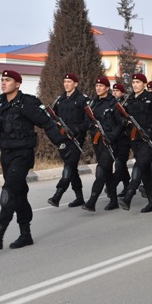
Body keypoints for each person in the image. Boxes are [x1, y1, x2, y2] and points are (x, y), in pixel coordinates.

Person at [0, 69, 73, 250]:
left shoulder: (27, 103)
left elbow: (47, 123)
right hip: (5, 154)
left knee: (9, 192)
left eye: (8, 80)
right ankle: (25, 235)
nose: (3, 82)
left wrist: (63, 145)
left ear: (18, 84)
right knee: (18, 194)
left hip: (23, 154)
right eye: (2, 80)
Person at [117, 73, 152, 213]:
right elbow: (118, 113)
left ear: (144, 84)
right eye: (133, 82)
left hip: (149, 139)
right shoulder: (129, 99)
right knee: (144, 171)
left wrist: (151, 129)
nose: (135, 85)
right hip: (135, 139)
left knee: (139, 165)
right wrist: (124, 122)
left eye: (138, 82)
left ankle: (129, 195)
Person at [82, 77, 124, 212]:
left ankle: (92, 201)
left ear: (107, 88)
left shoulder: (114, 103)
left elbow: (121, 123)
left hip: (111, 142)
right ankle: (114, 200)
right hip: (97, 141)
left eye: (101, 86)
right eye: (97, 85)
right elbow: (87, 120)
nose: (98, 88)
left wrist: (111, 136)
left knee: (101, 169)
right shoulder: (93, 102)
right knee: (107, 171)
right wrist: (91, 125)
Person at [47, 73, 88, 208]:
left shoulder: (82, 100)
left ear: (75, 84)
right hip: (63, 139)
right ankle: (80, 198)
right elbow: (52, 116)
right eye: (65, 81)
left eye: (69, 82)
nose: (66, 84)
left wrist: (76, 130)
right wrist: (56, 124)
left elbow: (88, 121)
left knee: (69, 165)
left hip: (76, 139)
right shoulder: (60, 100)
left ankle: (58, 194)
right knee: (73, 169)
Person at [112, 82, 131, 197]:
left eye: (117, 91)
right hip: (114, 138)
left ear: (122, 93)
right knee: (121, 164)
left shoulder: (127, 104)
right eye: (113, 91)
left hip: (124, 137)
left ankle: (112, 184)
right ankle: (126, 186)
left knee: (120, 162)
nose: (114, 93)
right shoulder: (111, 103)